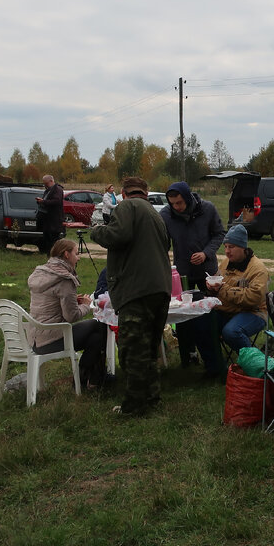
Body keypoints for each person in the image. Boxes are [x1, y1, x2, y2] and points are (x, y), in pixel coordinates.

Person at [89, 176, 171, 416]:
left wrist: (97, 232)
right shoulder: (156, 214)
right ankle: (151, 398)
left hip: (137, 290)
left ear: (123, 193)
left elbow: (118, 235)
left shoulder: (127, 206)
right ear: (146, 192)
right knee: (149, 348)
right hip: (160, 288)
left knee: (132, 350)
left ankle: (134, 406)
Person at [159, 181, 226, 366]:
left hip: (207, 271)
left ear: (187, 198)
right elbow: (162, 242)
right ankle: (188, 354)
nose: (176, 207)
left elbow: (219, 233)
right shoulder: (166, 215)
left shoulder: (208, 209)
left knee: (210, 313)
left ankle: (214, 353)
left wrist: (206, 253)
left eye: (179, 202)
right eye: (172, 203)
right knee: (183, 315)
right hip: (182, 274)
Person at [27, 238, 107, 388]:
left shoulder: (41, 272)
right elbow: (72, 316)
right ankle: (84, 378)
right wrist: (87, 305)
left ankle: (90, 380)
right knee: (99, 326)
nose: (78, 258)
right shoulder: (64, 279)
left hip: (35, 338)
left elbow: (51, 303)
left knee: (96, 337)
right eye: (76, 254)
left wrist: (73, 300)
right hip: (52, 339)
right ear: (66, 255)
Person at [196, 224, 269, 382]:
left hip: (254, 313)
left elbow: (253, 298)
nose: (227, 251)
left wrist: (222, 290)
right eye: (226, 247)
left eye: (232, 247)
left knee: (231, 331)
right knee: (199, 322)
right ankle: (216, 368)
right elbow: (218, 284)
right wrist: (211, 288)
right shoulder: (225, 264)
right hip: (227, 311)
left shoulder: (257, 269)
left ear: (243, 247)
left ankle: (257, 366)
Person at [36, 174, 65, 253]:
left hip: (54, 220)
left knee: (54, 239)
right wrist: (41, 201)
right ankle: (48, 253)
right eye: (44, 184)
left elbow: (57, 201)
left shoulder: (58, 189)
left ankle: (54, 253)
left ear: (51, 181)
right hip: (47, 220)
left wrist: (43, 201)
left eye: (46, 184)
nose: (45, 186)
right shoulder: (48, 190)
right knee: (47, 238)